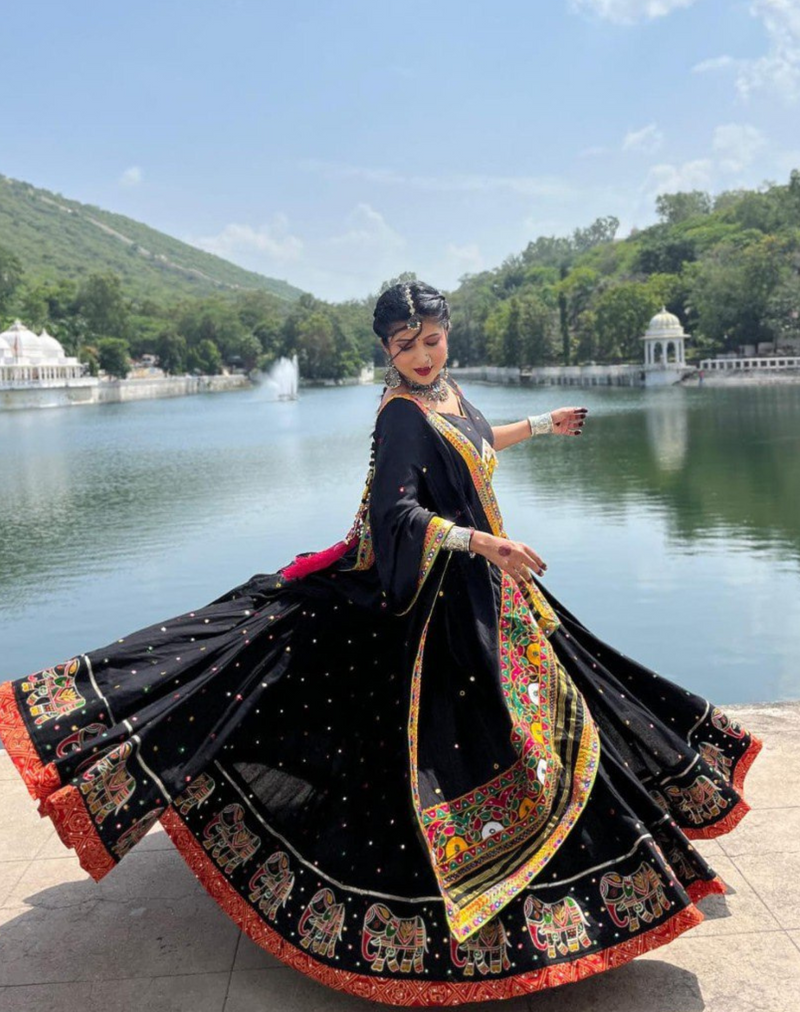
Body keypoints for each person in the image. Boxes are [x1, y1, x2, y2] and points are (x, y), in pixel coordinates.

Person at [0, 280, 761, 1005]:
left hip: (490, 585)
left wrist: (542, 426)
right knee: (487, 738)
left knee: (563, 705)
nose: (424, 355)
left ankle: (608, 873)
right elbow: (397, 515)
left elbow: (474, 441)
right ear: (388, 350)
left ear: (446, 335)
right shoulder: (399, 414)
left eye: (431, 339)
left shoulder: (447, 394)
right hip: (447, 592)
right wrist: (483, 545)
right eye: (407, 345)